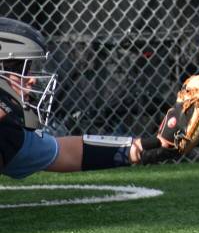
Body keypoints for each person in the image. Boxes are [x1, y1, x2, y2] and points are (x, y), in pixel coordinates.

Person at [1, 17, 180, 180]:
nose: (31, 79)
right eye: (19, 69)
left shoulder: (9, 134)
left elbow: (68, 153)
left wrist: (146, 148)